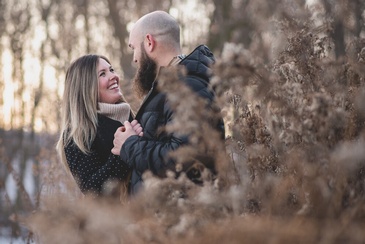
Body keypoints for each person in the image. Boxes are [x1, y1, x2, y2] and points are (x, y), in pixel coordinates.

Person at [111, 11, 225, 195]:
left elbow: (187, 159)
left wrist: (129, 145)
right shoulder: (171, 86)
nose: (134, 58)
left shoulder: (187, 87)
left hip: (182, 217)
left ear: (149, 42)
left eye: (134, 48)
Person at [56, 54, 143, 197]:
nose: (113, 76)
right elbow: (93, 191)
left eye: (112, 70)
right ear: (86, 86)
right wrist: (124, 149)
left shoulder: (133, 118)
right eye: (103, 74)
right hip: (116, 218)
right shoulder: (77, 134)